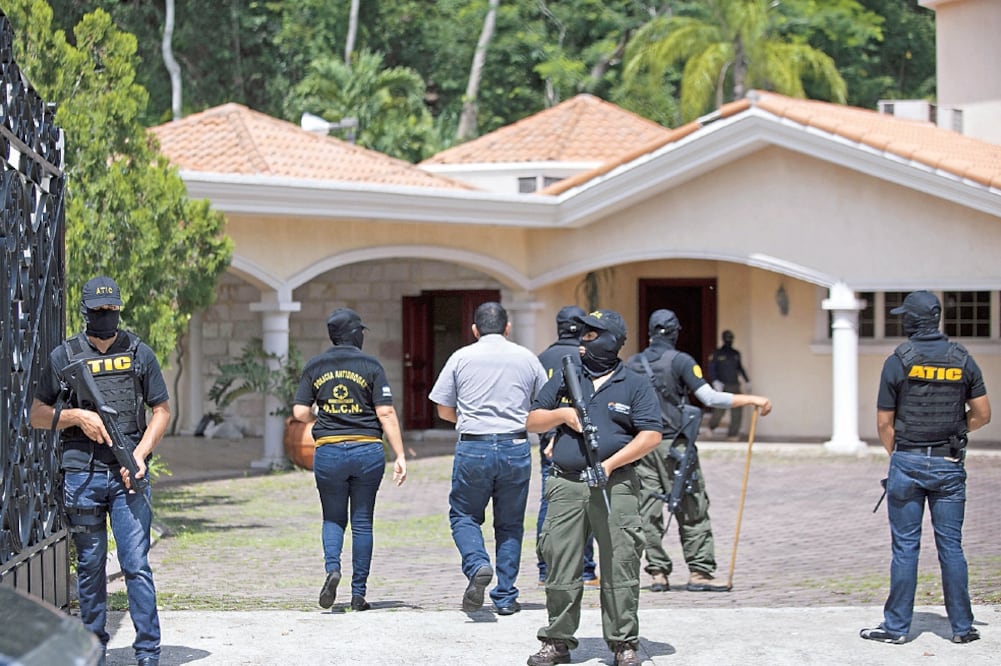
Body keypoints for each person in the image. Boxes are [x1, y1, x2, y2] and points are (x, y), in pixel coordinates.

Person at [30, 276, 170, 666]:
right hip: (83, 476)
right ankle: (92, 650)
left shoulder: (139, 353)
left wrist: (139, 455)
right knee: (90, 566)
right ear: (85, 312)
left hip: (129, 476)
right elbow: (36, 415)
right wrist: (77, 416)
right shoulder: (64, 356)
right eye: (98, 311)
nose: (105, 317)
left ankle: (148, 653)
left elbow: (162, 411)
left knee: (136, 565)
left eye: (111, 310)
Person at [527, 309, 662, 666]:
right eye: (583, 334)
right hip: (566, 484)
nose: (583, 341)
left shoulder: (634, 383)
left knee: (621, 562)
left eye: (592, 335)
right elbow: (532, 420)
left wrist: (609, 464)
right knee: (560, 564)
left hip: (615, 485)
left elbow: (651, 434)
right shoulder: (566, 375)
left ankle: (622, 642)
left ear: (612, 341)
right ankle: (557, 641)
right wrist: (563, 416)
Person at [860, 291, 990, 645]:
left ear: (912, 321)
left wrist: (899, 455)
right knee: (952, 547)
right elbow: (983, 414)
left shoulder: (898, 360)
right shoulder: (963, 359)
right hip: (948, 464)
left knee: (905, 548)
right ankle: (962, 628)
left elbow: (885, 423)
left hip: (908, 461)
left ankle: (896, 628)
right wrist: (956, 429)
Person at [625, 309, 771, 594]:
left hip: (641, 445)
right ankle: (699, 572)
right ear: (675, 331)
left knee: (647, 510)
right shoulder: (681, 361)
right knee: (692, 505)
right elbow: (709, 397)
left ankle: (657, 573)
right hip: (674, 446)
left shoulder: (632, 364)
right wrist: (751, 399)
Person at [428, 301, 547, 616]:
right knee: (509, 525)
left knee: (464, 516)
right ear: (508, 328)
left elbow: (441, 407)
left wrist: (468, 420)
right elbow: (543, 404)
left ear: (474, 329)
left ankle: (478, 563)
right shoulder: (527, 358)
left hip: (474, 446)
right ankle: (506, 596)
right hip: (515, 445)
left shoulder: (461, 357)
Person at [291, 307, 407, 613]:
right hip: (367, 450)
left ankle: (332, 569)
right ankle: (358, 594)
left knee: (332, 517)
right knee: (362, 522)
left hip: (328, 450)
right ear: (355, 334)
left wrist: (322, 412)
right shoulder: (371, 365)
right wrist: (400, 454)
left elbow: (300, 413)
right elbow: (385, 412)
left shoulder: (316, 366)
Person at [535, 305, 598, 587]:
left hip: (547, 438)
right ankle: (584, 570)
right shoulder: (587, 357)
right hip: (579, 440)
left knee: (548, 501)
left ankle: (545, 568)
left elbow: (535, 404)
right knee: (586, 501)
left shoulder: (541, 358)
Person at [706, 329, 751, 439]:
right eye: (727, 338)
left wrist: (747, 380)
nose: (729, 340)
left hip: (735, 385)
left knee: (737, 411)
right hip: (723, 385)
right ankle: (711, 427)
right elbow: (712, 368)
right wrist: (715, 381)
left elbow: (740, 368)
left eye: (731, 338)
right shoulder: (717, 353)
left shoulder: (735, 354)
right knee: (720, 410)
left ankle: (733, 434)